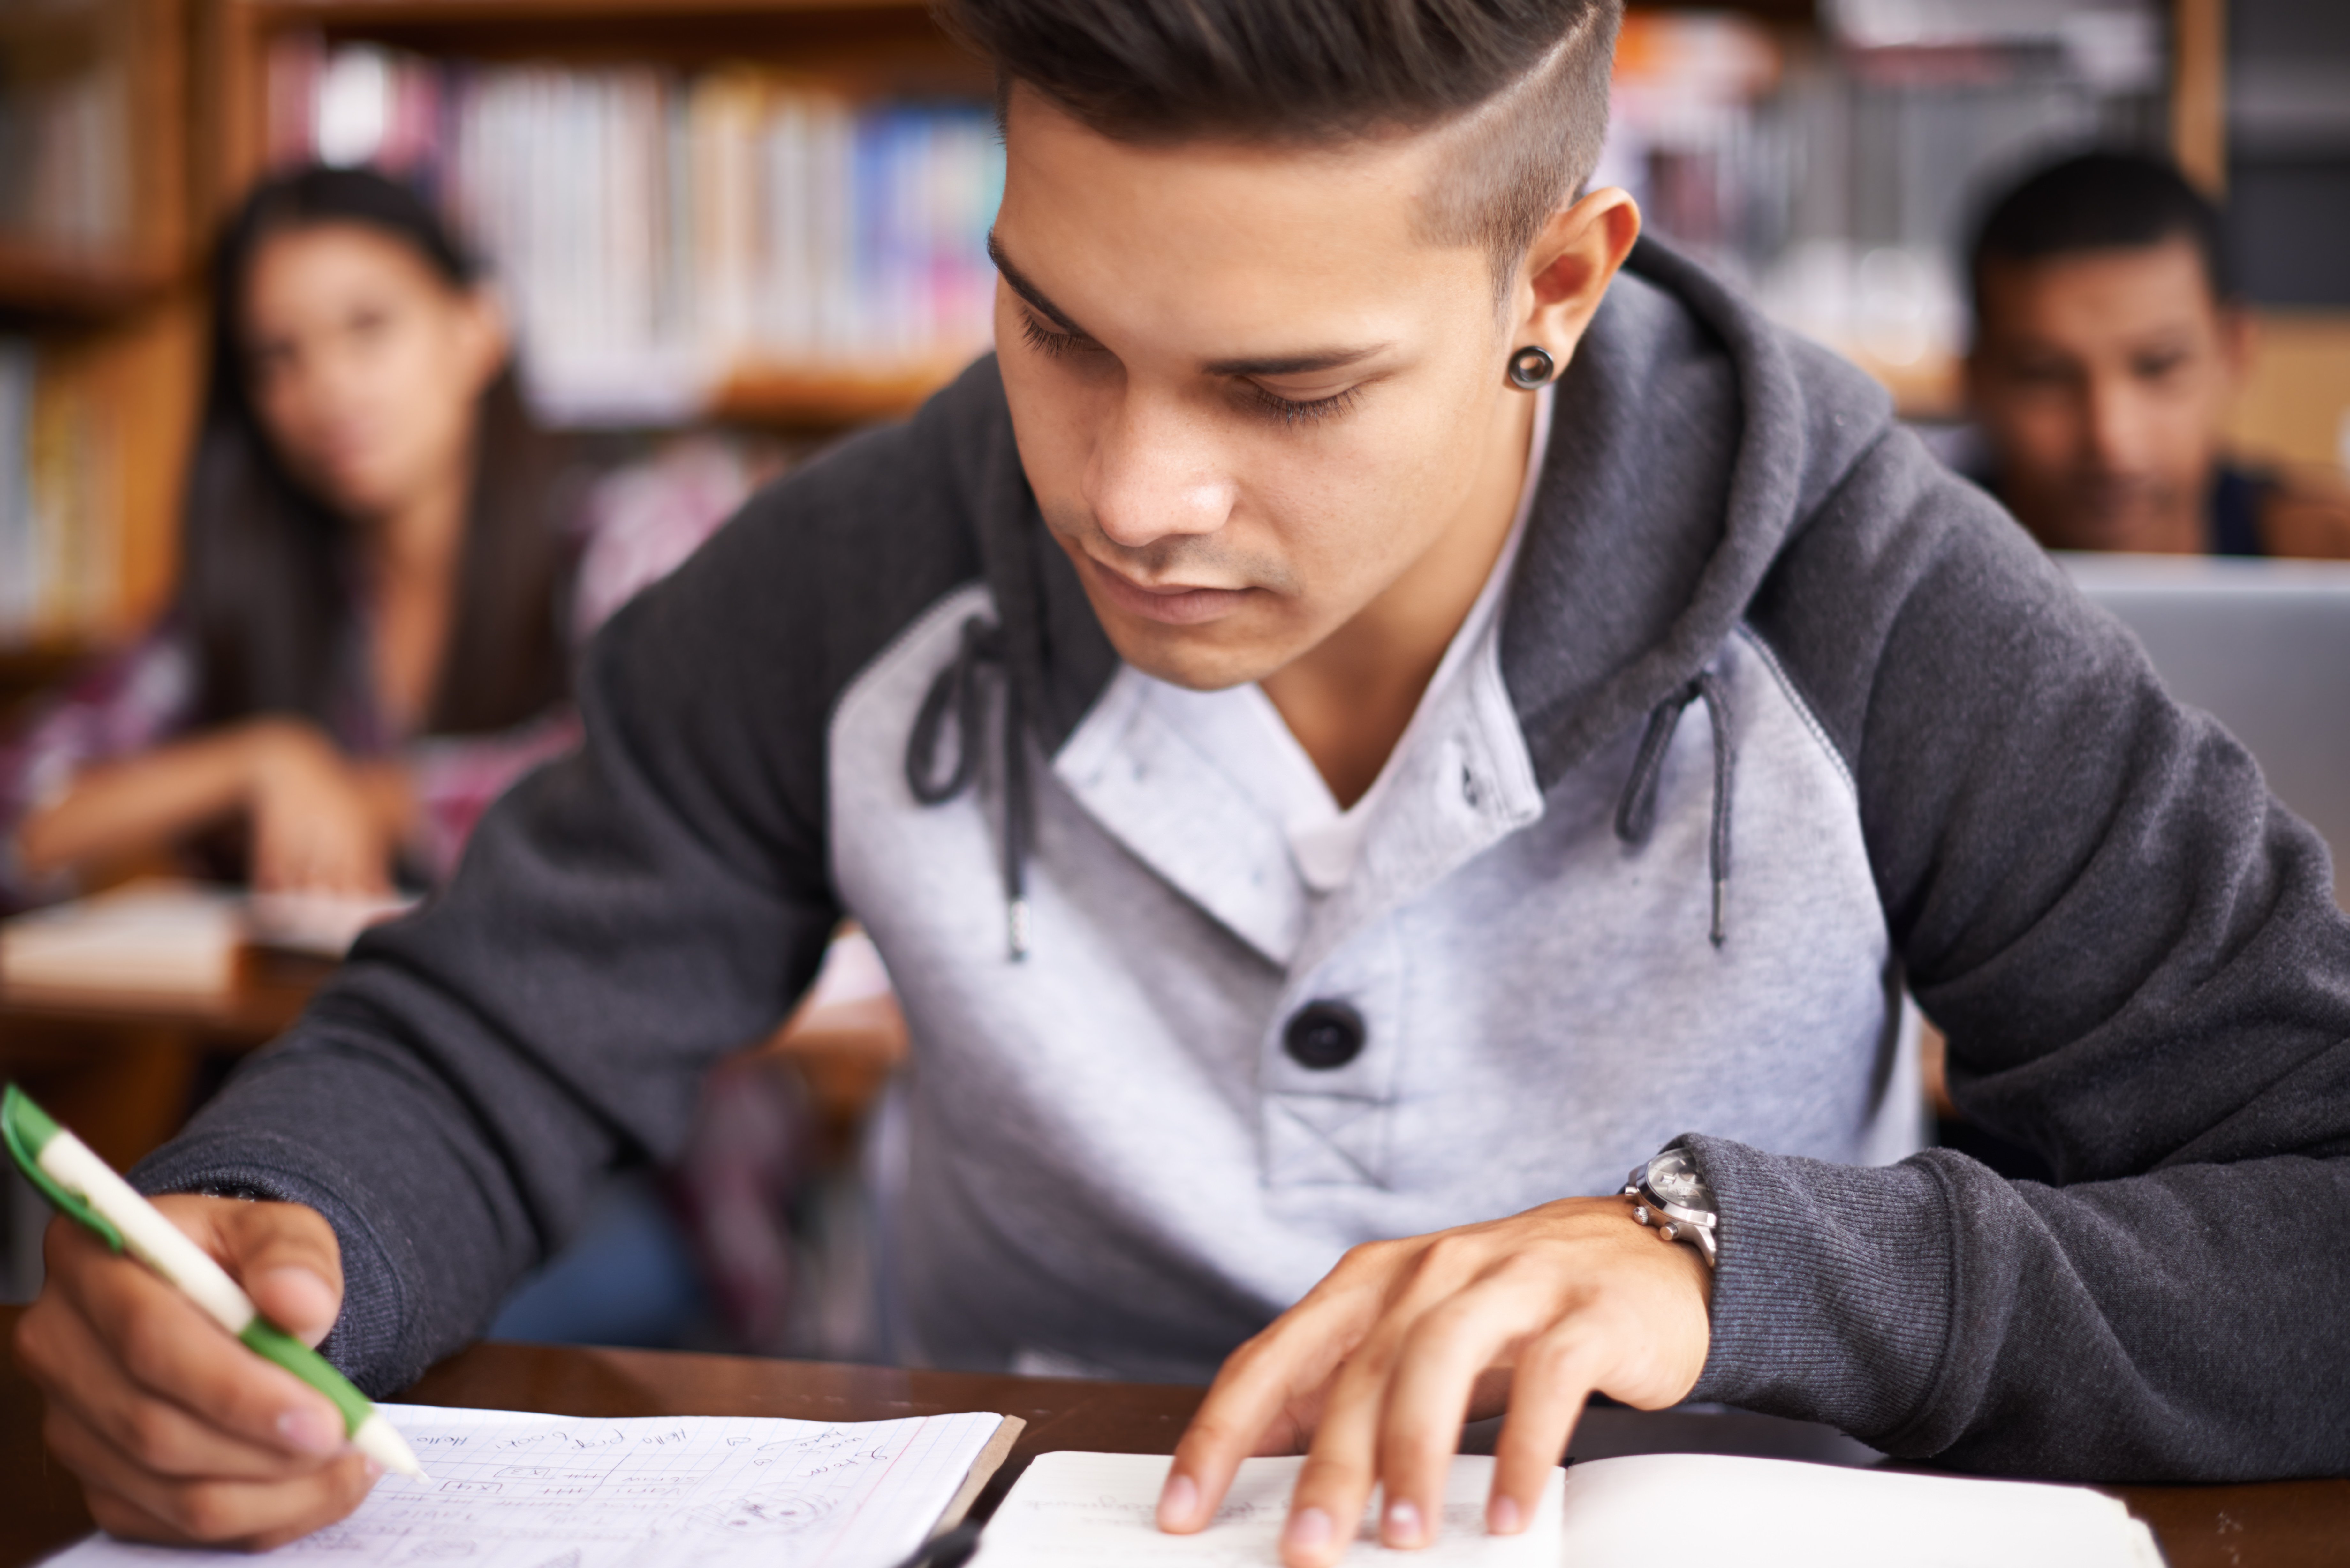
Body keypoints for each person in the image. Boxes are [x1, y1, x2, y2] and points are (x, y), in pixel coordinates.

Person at [17, 4, 2349, 1563]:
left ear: (1558, 274)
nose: (1129, 494)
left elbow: (2313, 1223)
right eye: (1053, 327)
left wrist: (1745, 1265)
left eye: (1285, 388)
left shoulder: (1863, 582)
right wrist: (280, 1220)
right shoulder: (855, 568)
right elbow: (481, 1029)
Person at [0, 166, 750, 907]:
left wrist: (379, 798)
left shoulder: (636, 532)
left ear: (477, 329)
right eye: (276, 357)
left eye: (368, 326)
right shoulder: (257, 591)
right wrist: (257, 761)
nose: (327, 387)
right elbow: (23, 811)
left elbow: (665, 784)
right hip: (300, 1029)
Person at [1964, 148, 2350, 558]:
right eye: (2045, 376)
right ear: (1975, 379)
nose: (2111, 441)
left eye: (2159, 366)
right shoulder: (1906, 579)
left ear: (2235, 352)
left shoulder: (2325, 557)